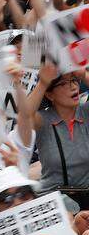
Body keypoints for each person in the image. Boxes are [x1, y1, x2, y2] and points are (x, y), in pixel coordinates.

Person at [23, 64, 89, 209]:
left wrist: (83, 75)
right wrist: (43, 82)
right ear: (49, 94)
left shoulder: (86, 111)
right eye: (64, 83)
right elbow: (24, 114)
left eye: (74, 80)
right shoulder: (42, 119)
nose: (73, 87)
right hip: (54, 200)